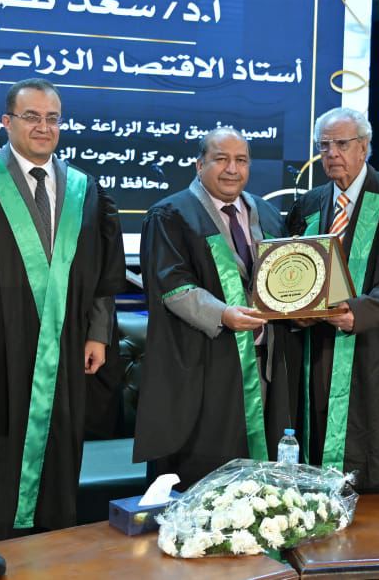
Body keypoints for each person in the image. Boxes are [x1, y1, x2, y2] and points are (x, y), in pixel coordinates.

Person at [0, 78, 125, 540]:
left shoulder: (84, 189)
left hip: (66, 347)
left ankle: (53, 548)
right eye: (31, 117)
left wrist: (98, 332)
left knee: (60, 460)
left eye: (52, 118)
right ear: (7, 122)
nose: (43, 127)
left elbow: (105, 271)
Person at [133, 127, 298, 488]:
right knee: (205, 478)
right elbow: (172, 285)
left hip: (263, 364)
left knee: (262, 478)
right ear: (199, 164)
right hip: (204, 366)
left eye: (241, 160)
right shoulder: (172, 215)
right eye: (221, 159)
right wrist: (222, 314)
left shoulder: (268, 214)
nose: (232, 169)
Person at [285, 107, 379, 491]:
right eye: (324, 146)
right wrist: (295, 311)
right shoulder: (309, 205)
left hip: (375, 345)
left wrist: (359, 311)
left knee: (371, 439)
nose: (332, 154)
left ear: (364, 147)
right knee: (317, 427)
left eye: (341, 144)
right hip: (319, 348)